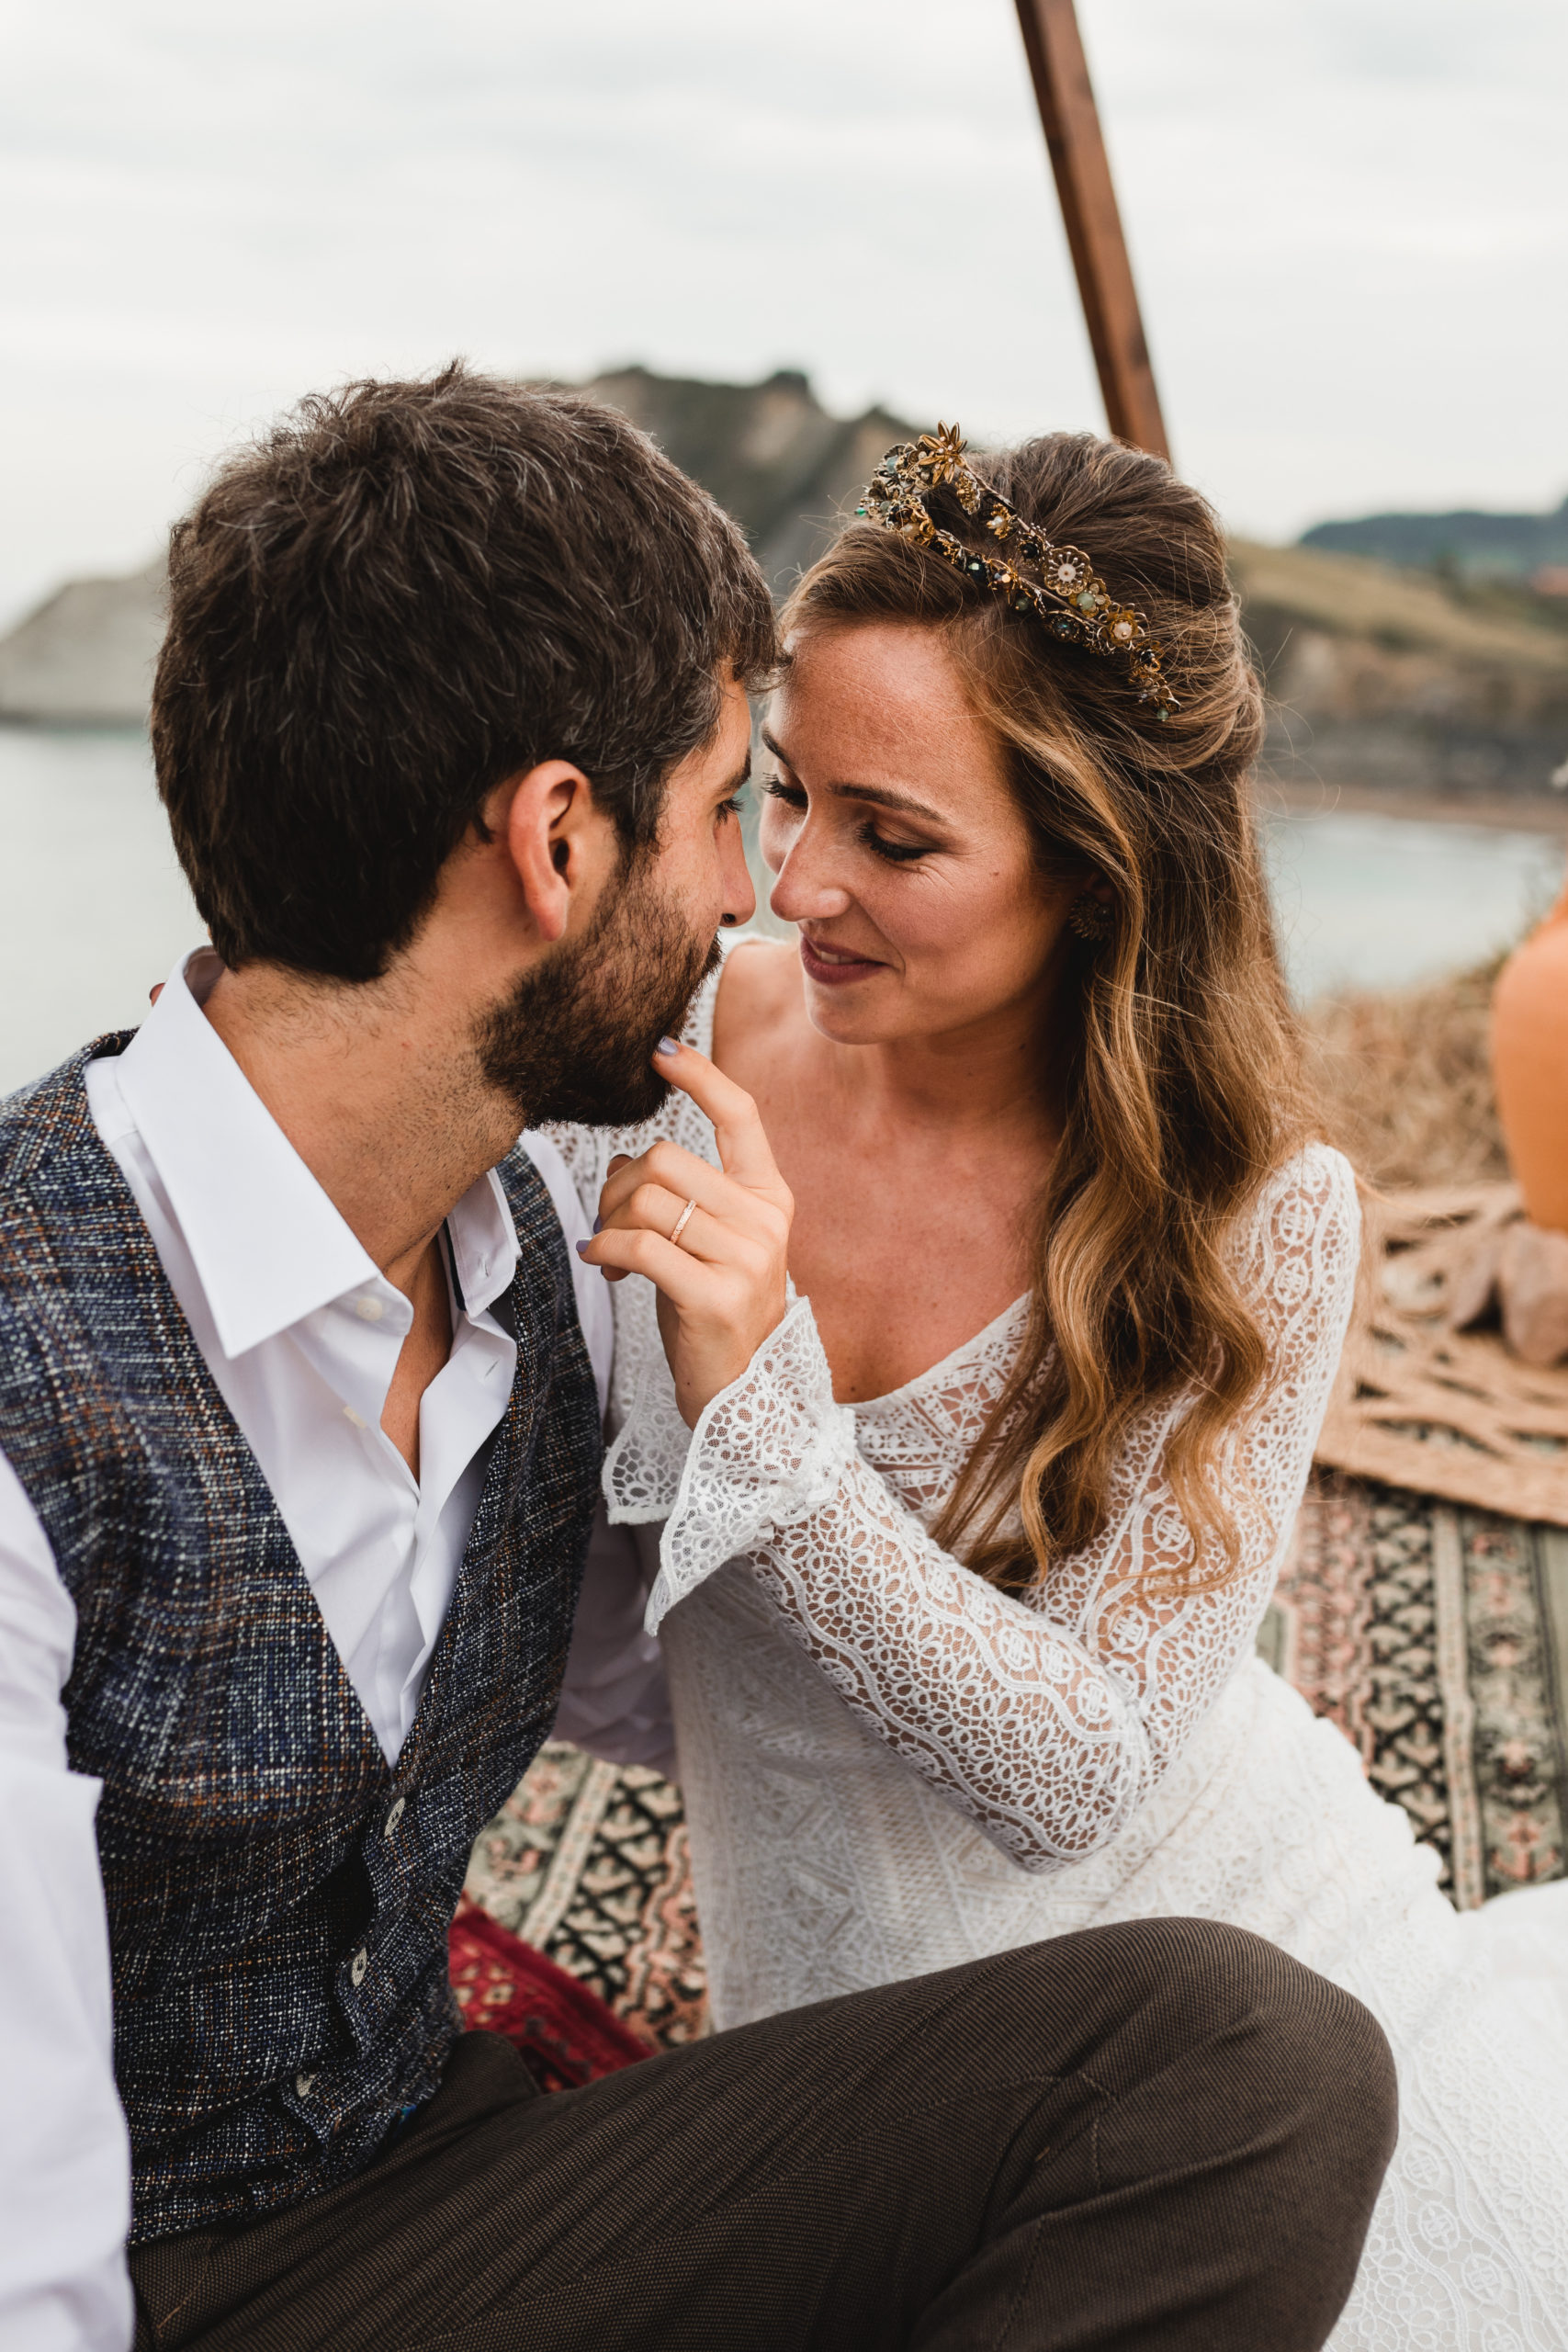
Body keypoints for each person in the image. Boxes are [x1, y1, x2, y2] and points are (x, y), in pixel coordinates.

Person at [0, 371, 1396, 2352]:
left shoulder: (542, 1231)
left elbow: (673, 1671)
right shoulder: (28, 1367)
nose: (764, 891)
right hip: (164, 2276)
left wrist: (793, 1442)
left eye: (852, 822)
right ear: (558, 841)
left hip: (435, 2175)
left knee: (1238, 2063)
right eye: (737, 803)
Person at [561, 426, 1568, 2348]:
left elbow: (1077, 1768)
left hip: (1204, 1994)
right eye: (786, 797)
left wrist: (759, 1408)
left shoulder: (1260, 1210)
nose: (793, 885)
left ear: (1094, 862)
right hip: (814, 2025)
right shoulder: (673, 1043)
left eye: (894, 833)